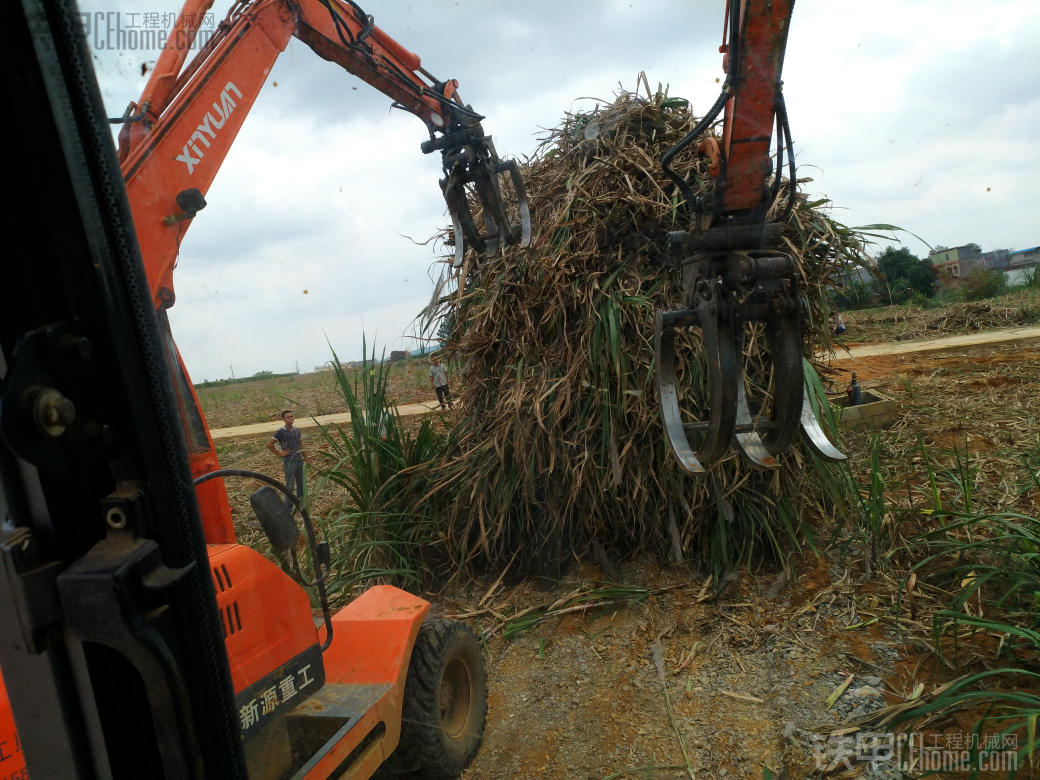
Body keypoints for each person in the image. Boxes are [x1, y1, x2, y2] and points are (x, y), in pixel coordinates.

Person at [266, 410, 311, 513]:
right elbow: (269, 445)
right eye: (288, 417)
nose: (291, 418)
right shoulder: (280, 432)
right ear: (283, 419)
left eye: (292, 416)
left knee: (301, 485)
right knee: (290, 486)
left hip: (299, 460)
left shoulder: (296, 430)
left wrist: (306, 458)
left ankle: (301, 507)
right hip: (289, 462)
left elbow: (300, 444)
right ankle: (289, 509)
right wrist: (280, 453)